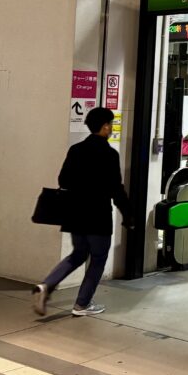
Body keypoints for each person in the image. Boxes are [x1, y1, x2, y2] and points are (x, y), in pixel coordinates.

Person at [32, 108, 132, 317]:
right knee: (97, 259)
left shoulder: (76, 149)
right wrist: (128, 215)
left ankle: (47, 285)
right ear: (104, 126)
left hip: (75, 213)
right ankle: (82, 304)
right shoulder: (109, 154)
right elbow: (116, 189)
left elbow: (63, 180)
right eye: (111, 124)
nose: (112, 128)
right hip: (97, 214)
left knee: (78, 253)